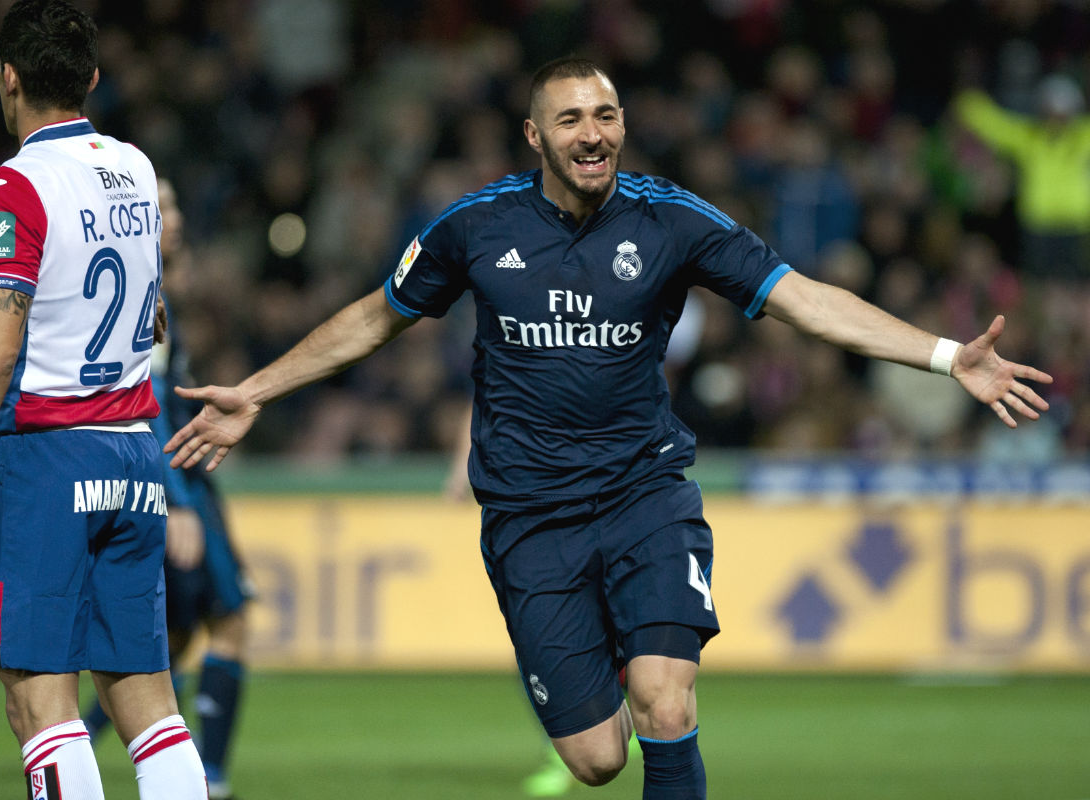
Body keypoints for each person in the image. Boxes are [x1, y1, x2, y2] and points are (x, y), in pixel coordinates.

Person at [165, 58, 1051, 798]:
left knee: (667, 704)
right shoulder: (476, 227)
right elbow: (372, 317)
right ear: (534, 136)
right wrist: (258, 390)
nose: (594, 133)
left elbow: (805, 301)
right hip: (528, 518)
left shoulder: (673, 219)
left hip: (643, 495)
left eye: (608, 114)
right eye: (572, 119)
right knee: (595, 759)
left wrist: (945, 356)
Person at [0, 3, 207, 799]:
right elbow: (153, 304)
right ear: (93, 78)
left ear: (7, 76)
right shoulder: (137, 168)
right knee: (149, 704)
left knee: (40, 703)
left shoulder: (11, 186)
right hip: (135, 455)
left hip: (45, 458)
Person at [82, 179, 253, 800]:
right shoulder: (137, 295)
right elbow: (142, 409)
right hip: (170, 486)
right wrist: (174, 501)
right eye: (160, 208)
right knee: (220, 622)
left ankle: (84, 740)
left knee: (174, 638)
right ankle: (209, 776)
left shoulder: (144, 292)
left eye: (177, 205)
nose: (174, 219)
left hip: (173, 478)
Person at [953, 73, 1090, 281]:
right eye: (1051, 110)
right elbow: (997, 126)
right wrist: (968, 99)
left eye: (1061, 112)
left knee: (1078, 283)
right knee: (1039, 282)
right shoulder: (1030, 138)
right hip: (1038, 224)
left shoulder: (1083, 136)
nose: (1056, 117)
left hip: (1076, 224)